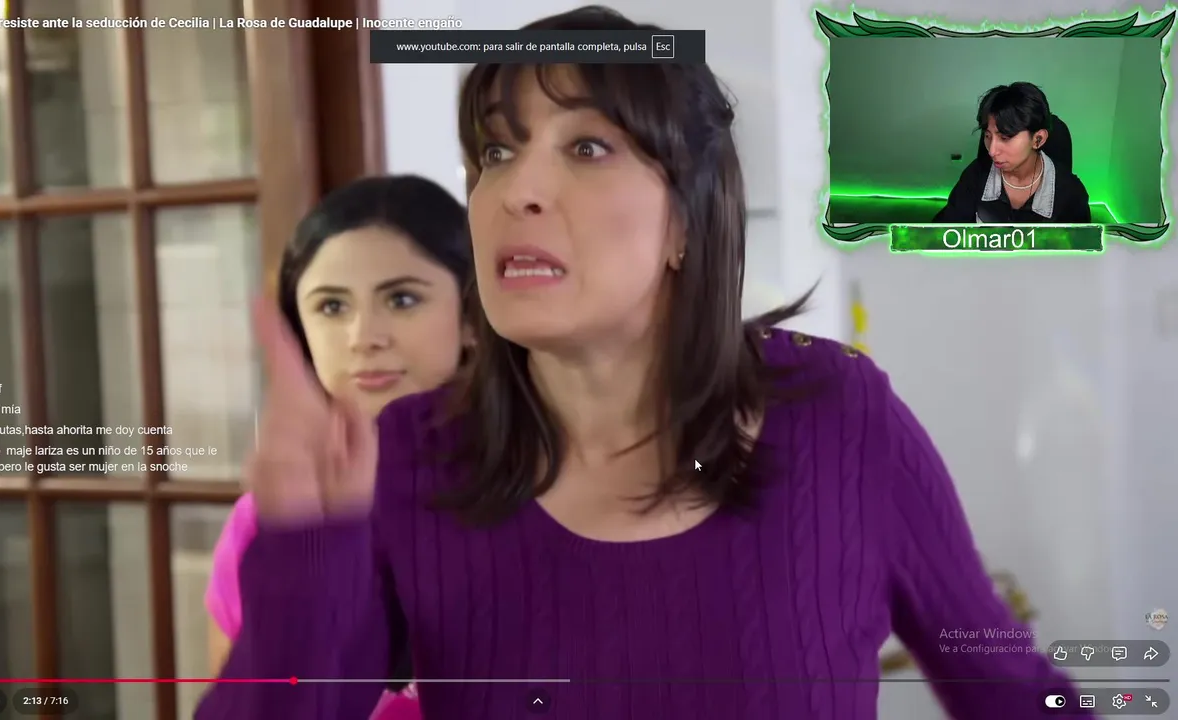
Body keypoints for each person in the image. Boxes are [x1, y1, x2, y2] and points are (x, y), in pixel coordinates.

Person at [198, 7, 1084, 718]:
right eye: (496, 153)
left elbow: (1013, 693)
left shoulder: (839, 413)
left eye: (586, 148)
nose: (517, 190)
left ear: (686, 222)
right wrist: (306, 553)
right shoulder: (412, 455)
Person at [204, 174, 474, 720]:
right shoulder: (272, 522)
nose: (363, 337)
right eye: (331, 307)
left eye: (402, 299)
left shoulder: (541, 495)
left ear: (473, 320)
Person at [935, 82, 1091, 224]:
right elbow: (942, 233)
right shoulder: (975, 176)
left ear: (1038, 139)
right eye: (988, 136)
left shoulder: (1071, 194)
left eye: (1005, 138)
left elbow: (1081, 245)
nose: (992, 151)